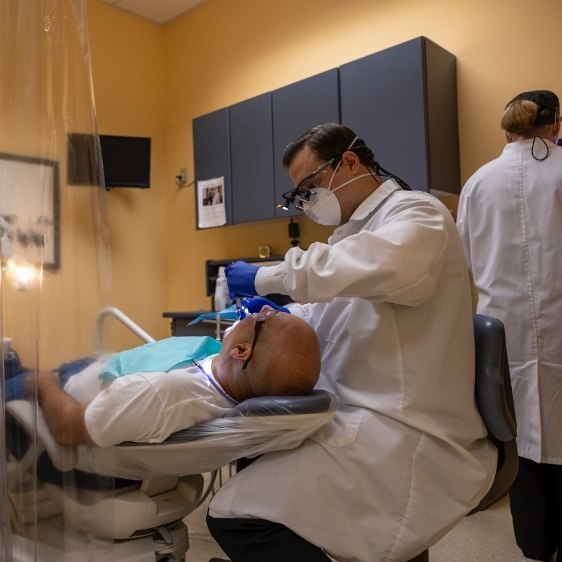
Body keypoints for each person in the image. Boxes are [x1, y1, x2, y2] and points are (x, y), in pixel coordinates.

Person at [206, 123, 497, 562]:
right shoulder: (351, 238)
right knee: (260, 460)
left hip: (406, 429)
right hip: (360, 414)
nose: (307, 202)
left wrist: (269, 275)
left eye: (310, 186)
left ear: (350, 162)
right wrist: (280, 316)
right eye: (299, 196)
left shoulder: (418, 214)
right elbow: (334, 310)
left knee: (236, 515)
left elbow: (364, 268)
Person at [457, 90, 562, 562]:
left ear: (506, 129)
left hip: (504, 337)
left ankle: (536, 546)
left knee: (520, 441)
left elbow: (464, 265)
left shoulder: (479, 183)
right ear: (556, 124)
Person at [14, 306, 321, 449]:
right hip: (92, 369)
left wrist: (44, 382)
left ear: (241, 351)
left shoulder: (163, 394)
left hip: (53, 393)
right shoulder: (225, 380)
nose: (262, 309)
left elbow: (70, 429)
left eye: (266, 317)